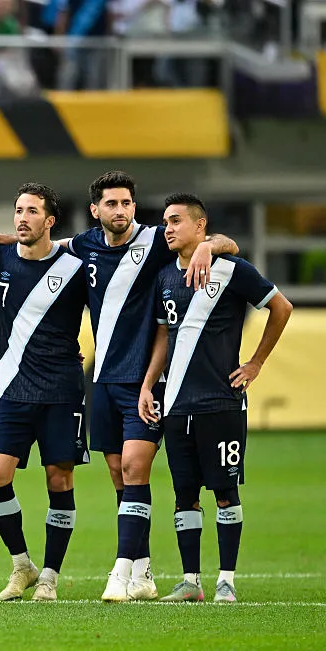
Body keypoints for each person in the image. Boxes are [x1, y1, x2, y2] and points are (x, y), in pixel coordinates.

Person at [0, 170, 238, 602]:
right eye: (111, 204)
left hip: (144, 381)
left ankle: (119, 572)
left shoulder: (156, 240)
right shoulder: (83, 247)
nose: (121, 211)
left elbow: (228, 243)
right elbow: (39, 244)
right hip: (103, 380)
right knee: (118, 475)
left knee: (133, 469)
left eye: (127, 203)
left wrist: (210, 243)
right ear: (95, 210)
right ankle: (143, 570)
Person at [142, 193, 292, 603]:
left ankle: (226, 580)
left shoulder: (232, 269)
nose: (168, 228)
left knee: (225, 493)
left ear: (201, 226)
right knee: (184, 494)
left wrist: (256, 363)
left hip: (222, 404)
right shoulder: (164, 278)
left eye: (176, 221)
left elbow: (281, 307)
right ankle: (192, 582)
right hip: (175, 405)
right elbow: (162, 337)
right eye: (165, 222)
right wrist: (148, 385)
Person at [0, 183, 88, 602]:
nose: (22, 218)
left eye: (32, 211)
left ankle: (50, 576)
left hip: (61, 390)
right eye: (18, 209)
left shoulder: (76, 269)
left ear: (50, 221)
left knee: (59, 479)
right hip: (13, 390)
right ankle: (21, 564)